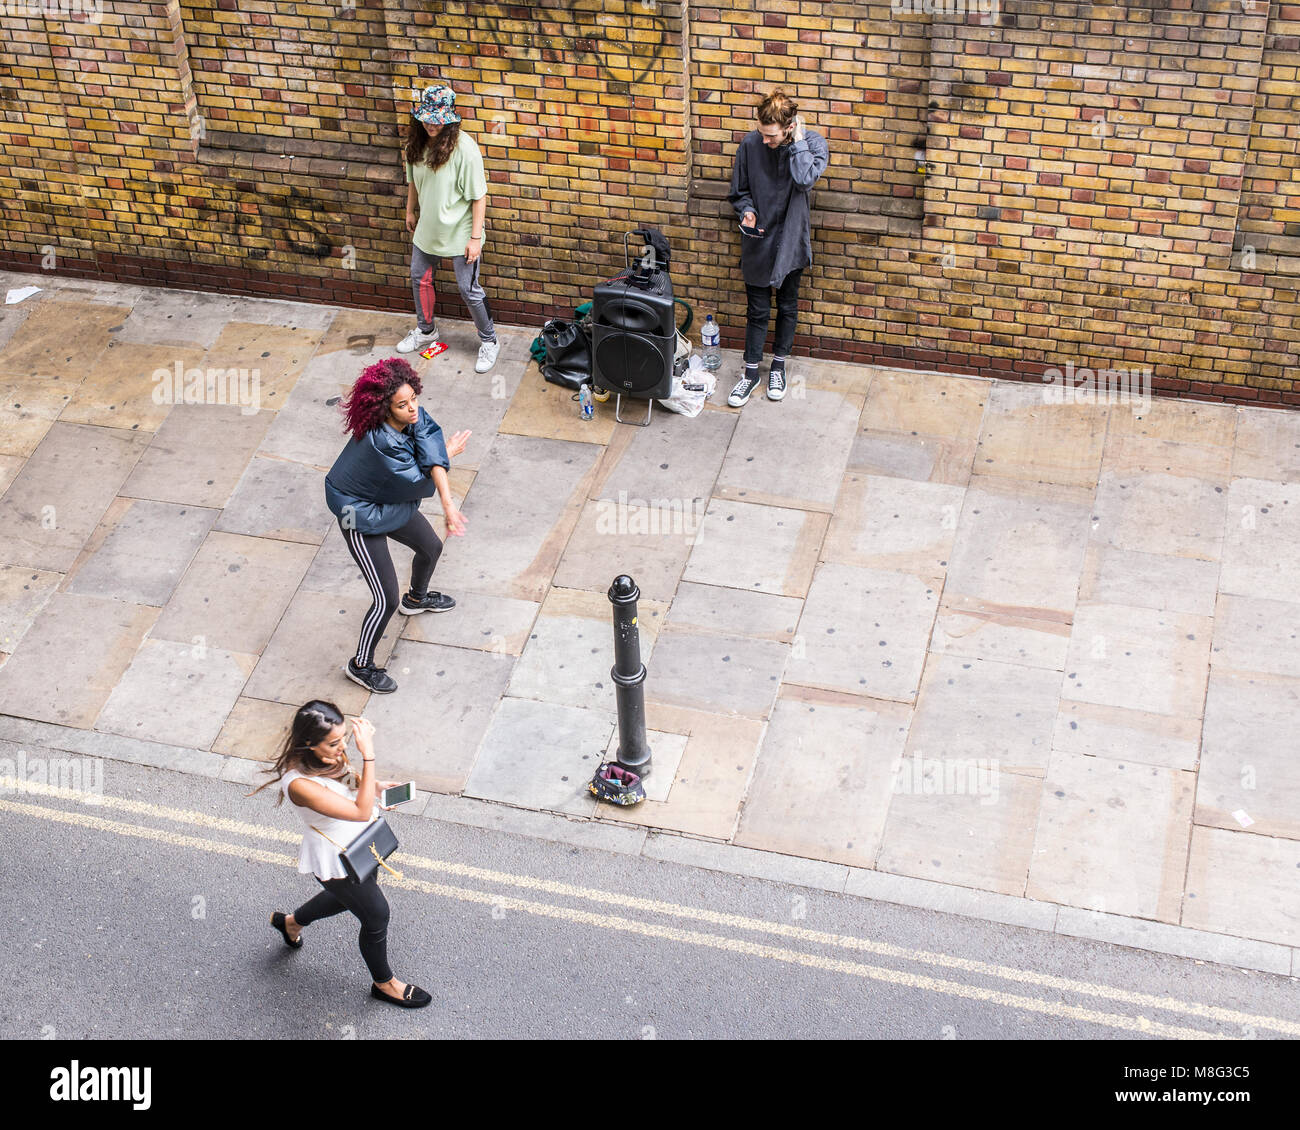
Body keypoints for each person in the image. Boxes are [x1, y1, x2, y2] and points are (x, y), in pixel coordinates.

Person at [256, 702, 431, 1008]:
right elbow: (361, 812)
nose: (342, 748)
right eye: (334, 743)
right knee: (376, 915)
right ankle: (384, 983)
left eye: (344, 740)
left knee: (345, 898)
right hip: (336, 857)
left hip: (359, 844)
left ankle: (291, 923)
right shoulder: (299, 784)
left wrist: (373, 786)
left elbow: (345, 780)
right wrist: (369, 756)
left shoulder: (325, 755)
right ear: (309, 743)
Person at [324, 357, 470, 694]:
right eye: (402, 405)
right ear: (384, 409)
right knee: (385, 598)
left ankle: (417, 600)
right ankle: (360, 665)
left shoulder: (408, 416)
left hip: (388, 502)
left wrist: (449, 503)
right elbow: (418, 481)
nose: (413, 409)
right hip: (359, 515)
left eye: (414, 399)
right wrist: (448, 454)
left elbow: (431, 445)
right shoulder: (382, 442)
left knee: (431, 547)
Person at [726, 89, 830, 408]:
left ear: (789, 127)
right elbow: (739, 190)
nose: (765, 140)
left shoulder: (812, 145)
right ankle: (751, 372)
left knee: (787, 307)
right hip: (758, 238)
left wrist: (797, 143)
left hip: (791, 243)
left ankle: (779, 367)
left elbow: (803, 180)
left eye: (771, 135)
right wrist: (746, 210)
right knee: (757, 311)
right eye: (762, 133)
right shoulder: (750, 145)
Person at [397, 84, 500, 374]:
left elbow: (479, 196)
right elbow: (413, 181)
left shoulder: (465, 149)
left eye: (437, 118)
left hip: (460, 233)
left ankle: (489, 340)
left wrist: (475, 239)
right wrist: (409, 210)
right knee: (420, 279)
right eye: (427, 118)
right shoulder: (415, 145)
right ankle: (426, 330)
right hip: (428, 229)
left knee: (469, 291)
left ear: (449, 119)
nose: (431, 124)